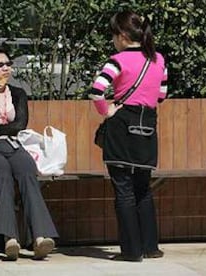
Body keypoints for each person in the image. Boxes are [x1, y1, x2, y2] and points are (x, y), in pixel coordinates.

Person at [0, 46, 59, 261]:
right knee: (2, 173)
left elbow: (20, 124)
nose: (6, 68)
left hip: (14, 146)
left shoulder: (18, 94)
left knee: (27, 170)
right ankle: (9, 238)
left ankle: (40, 236)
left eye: (8, 64)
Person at [88, 11, 167, 262]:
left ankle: (131, 252)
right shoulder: (159, 59)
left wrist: (107, 110)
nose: (112, 39)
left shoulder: (117, 60)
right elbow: (162, 95)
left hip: (122, 127)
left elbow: (96, 91)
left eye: (113, 34)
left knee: (123, 189)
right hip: (147, 127)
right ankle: (150, 246)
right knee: (143, 188)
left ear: (122, 35)